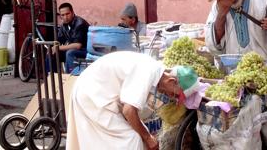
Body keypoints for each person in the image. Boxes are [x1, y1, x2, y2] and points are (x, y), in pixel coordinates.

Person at [66, 51, 200, 150]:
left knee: (137, 135)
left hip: (94, 93)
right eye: (175, 94)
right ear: (172, 81)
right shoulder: (148, 71)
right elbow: (129, 110)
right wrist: (148, 138)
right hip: (93, 97)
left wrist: (146, 136)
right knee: (131, 140)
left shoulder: (152, 68)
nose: (171, 97)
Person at [55, 2, 90, 73]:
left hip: (86, 50)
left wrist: (58, 47)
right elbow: (59, 40)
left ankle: (71, 77)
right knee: (51, 53)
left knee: (70, 53)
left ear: (72, 12)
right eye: (63, 15)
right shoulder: (64, 25)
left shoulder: (80, 23)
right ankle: (52, 77)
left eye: (67, 14)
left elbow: (77, 45)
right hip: (76, 50)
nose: (65, 17)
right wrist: (53, 47)